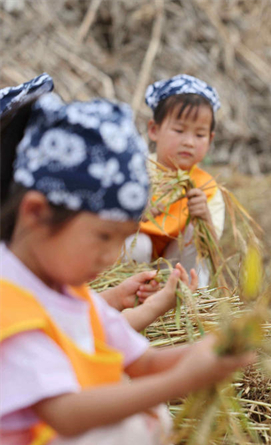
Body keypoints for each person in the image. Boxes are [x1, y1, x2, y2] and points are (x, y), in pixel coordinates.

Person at [0, 93, 253, 445]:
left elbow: (142, 362)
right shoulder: (11, 298)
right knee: (126, 430)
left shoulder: (68, 291)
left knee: (145, 418)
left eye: (122, 239)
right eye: (102, 237)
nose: (110, 257)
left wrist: (210, 352)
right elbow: (65, 413)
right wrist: (182, 381)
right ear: (36, 213)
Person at [0, 74, 199, 332]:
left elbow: (69, 321)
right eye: (104, 236)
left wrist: (115, 298)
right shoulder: (20, 280)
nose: (111, 258)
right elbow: (71, 335)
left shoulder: (44, 272)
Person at [124, 74, 226, 287]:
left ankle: (187, 297)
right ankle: (126, 294)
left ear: (210, 139)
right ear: (154, 130)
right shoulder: (135, 172)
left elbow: (213, 251)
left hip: (173, 272)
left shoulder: (206, 188)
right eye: (179, 130)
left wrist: (204, 217)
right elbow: (101, 227)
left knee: (195, 234)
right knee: (139, 244)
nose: (189, 142)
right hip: (130, 270)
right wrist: (134, 213)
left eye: (199, 135)